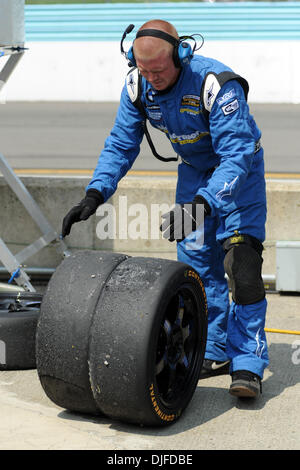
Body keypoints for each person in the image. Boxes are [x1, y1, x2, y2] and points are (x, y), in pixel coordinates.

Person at [62, 19, 269, 398]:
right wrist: (94, 193)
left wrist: (205, 203)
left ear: (181, 55)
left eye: (159, 70)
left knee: (243, 268)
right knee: (197, 270)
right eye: (144, 70)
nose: (152, 79)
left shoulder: (217, 86)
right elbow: (121, 143)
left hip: (240, 177)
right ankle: (213, 349)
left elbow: (236, 155)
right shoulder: (137, 86)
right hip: (193, 174)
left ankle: (248, 365)